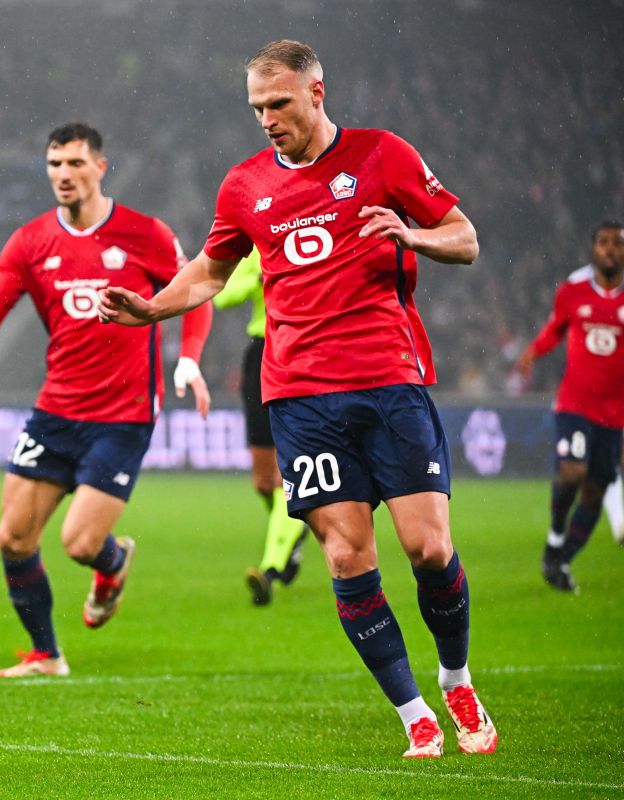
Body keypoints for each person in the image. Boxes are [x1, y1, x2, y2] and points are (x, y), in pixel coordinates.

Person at [98, 40, 496, 759]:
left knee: (429, 548)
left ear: (318, 92)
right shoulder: (246, 186)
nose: (266, 119)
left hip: (390, 379)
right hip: (301, 395)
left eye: (278, 103)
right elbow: (211, 272)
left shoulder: (383, 156)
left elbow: (464, 238)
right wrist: (153, 309)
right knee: (348, 557)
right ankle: (414, 715)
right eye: (256, 108)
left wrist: (412, 234)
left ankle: (456, 677)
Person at [0, 122, 212, 678]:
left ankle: (112, 562)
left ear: (100, 167)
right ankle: (47, 655)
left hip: (123, 415)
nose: (63, 174)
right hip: (55, 411)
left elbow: (196, 294)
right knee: (12, 538)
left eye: (74, 163)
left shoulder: (146, 234)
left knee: (78, 542)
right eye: (54, 165)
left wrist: (188, 359)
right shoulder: (31, 240)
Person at [516, 221, 624, 592]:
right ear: (593, 250)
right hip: (575, 404)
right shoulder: (572, 293)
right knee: (571, 473)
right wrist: (533, 351)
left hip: (614, 414)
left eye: (617, 244)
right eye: (604, 243)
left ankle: (559, 560)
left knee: (594, 491)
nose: (610, 250)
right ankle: (556, 535)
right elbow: (554, 329)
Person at [212, 251, 309, 606]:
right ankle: (293, 532)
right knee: (263, 481)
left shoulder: (309, 242)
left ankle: (271, 568)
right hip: (261, 353)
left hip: (301, 352)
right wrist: (257, 280)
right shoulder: (258, 247)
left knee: (292, 477)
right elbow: (222, 296)